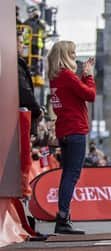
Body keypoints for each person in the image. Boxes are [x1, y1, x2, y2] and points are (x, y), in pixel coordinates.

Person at [47, 41, 96, 234]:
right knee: (71, 175)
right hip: (75, 129)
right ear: (65, 55)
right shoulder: (67, 76)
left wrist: (83, 75)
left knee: (66, 175)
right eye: (73, 53)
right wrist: (88, 75)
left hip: (64, 129)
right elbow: (90, 95)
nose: (75, 56)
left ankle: (63, 217)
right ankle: (63, 218)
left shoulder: (55, 77)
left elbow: (77, 94)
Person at [17, 30, 43, 135]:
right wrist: (37, 110)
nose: (23, 46)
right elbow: (24, 91)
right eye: (21, 42)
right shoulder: (16, 65)